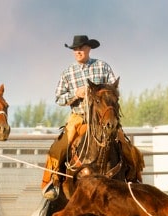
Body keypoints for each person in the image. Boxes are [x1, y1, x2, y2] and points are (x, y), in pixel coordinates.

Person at [41, 35, 142, 200]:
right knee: (59, 147)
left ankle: (135, 179)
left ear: (89, 49)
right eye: (75, 49)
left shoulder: (102, 67)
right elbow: (59, 98)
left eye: (81, 48)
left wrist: (103, 95)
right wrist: (76, 94)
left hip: (102, 117)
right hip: (79, 116)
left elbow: (114, 90)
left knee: (125, 144)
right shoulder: (68, 73)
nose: (78, 51)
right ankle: (50, 183)